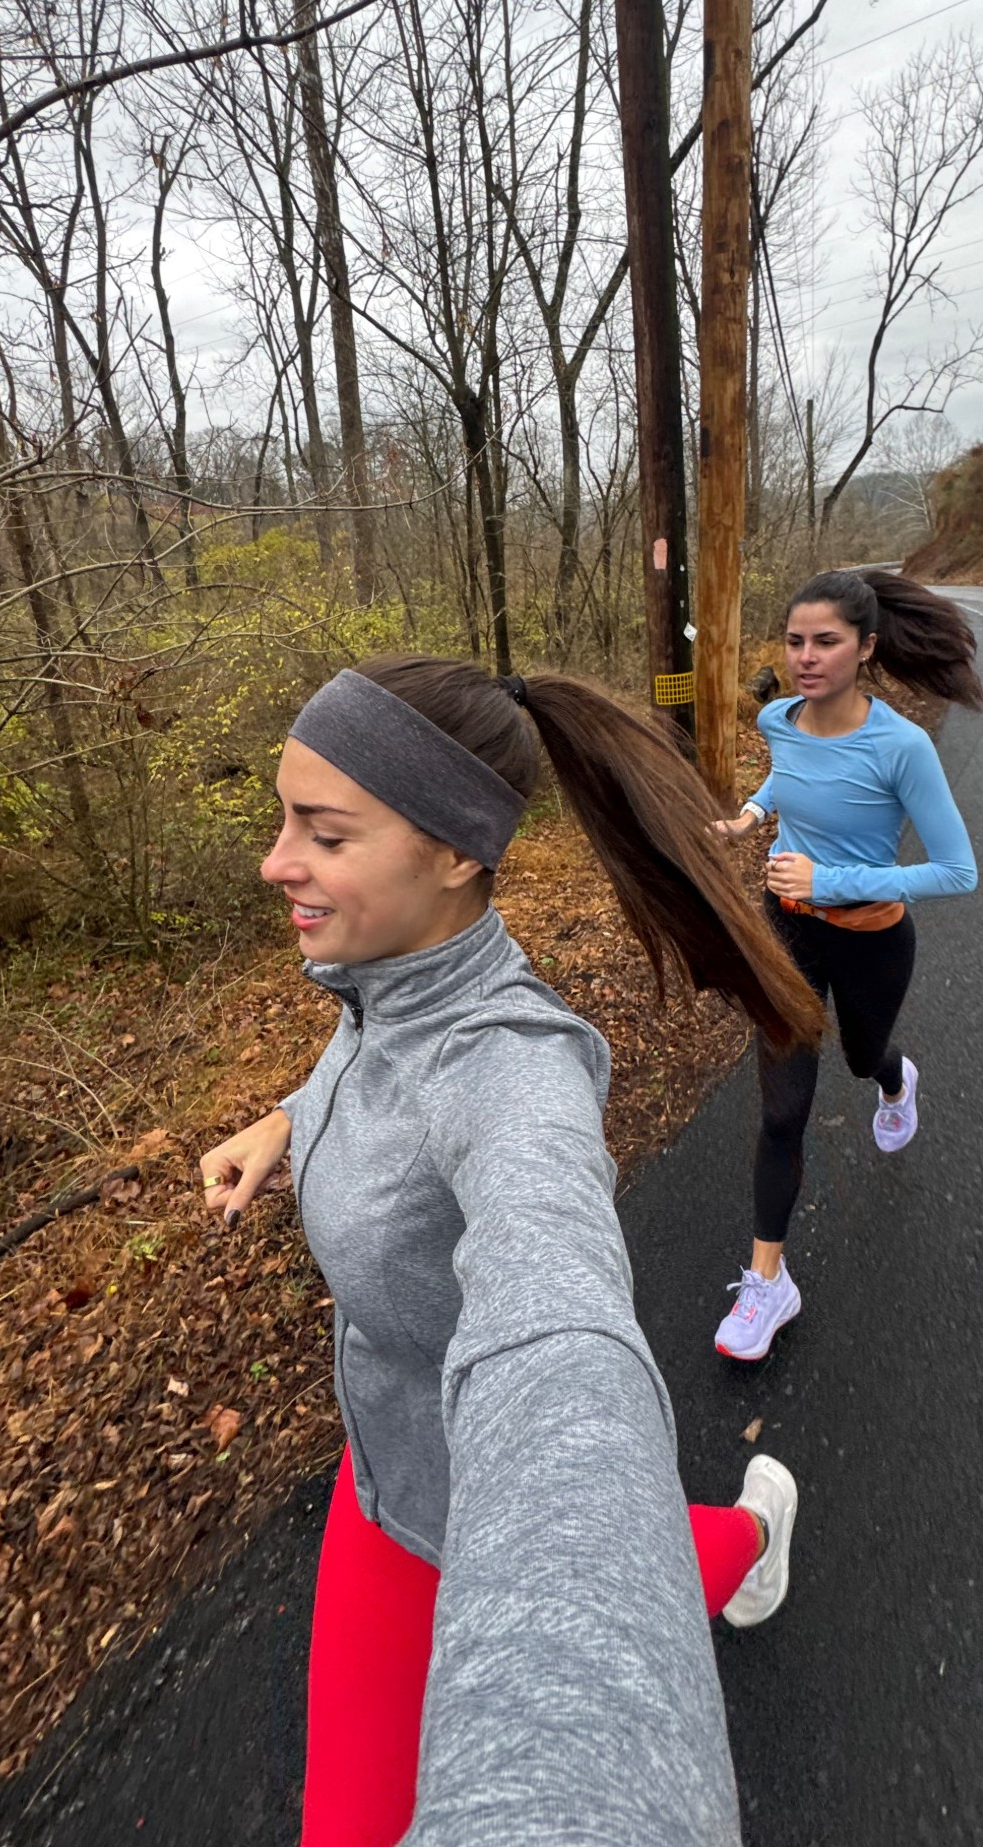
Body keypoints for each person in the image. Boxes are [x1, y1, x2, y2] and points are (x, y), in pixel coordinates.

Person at [196, 656, 827, 1847]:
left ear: (454, 851)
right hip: (385, 1478)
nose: (276, 861)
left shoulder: (517, 1070)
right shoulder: (383, 973)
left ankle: (749, 1530)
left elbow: (563, 1342)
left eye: (322, 833)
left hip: (488, 1487)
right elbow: (376, 1053)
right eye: (283, 819)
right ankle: (742, 1529)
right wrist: (287, 1117)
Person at [709, 569, 982, 1363]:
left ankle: (897, 1080)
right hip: (786, 931)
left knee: (862, 1056)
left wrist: (834, 880)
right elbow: (789, 776)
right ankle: (768, 1281)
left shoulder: (902, 746)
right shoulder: (776, 718)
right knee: (783, 1108)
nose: (805, 657)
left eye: (826, 642)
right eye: (795, 641)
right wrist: (753, 815)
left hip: (870, 936)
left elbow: (957, 871)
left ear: (865, 648)